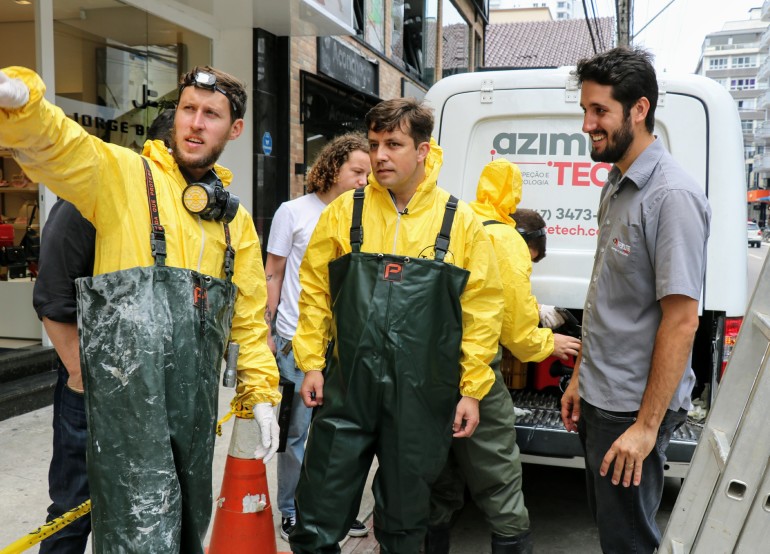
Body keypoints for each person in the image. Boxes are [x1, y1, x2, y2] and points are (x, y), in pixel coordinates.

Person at [0, 67, 281, 552]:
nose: (195, 124)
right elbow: (62, 148)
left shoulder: (235, 222)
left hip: (191, 415)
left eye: (210, 115)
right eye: (188, 110)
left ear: (234, 129)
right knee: (130, 534)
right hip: (122, 407)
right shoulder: (125, 179)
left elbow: (249, 320)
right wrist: (23, 106)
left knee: (185, 527)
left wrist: (261, 390)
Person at [288, 98, 503, 553]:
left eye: (394, 144)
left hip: (423, 398)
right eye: (375, 144)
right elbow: (315, 291)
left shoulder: (460, 222)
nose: (380, 155)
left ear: (424, 150)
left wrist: (471, 390)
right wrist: (310, 362)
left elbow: (483, 311)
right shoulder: (346, 212)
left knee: (406, 525)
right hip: (346, 390)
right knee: (317, 514)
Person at [560, 47, 711, 553]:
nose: (587, 124)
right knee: (612, 531)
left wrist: (646, 429)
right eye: (585, 110)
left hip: (632, 410)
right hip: (603, 397)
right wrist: (582, 376)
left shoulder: (671, 197)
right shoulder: (617, 183)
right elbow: (608, 294)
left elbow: (682, 321)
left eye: (599, 110)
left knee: (629, 544)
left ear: (639, 109)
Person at [30, 109, 175, 554]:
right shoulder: (91, 197)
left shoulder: (176, 208)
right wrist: (81, 376)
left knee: (142, 511)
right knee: (74, 512)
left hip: (155, 390)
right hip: (93, 388)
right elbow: (53, 297)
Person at [426, 158, 581, 554]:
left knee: (439, 475)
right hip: (475, 371)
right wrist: (548, 343)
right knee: (500, 478)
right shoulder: (507, 239)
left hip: (426, 368)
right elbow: (513, 326)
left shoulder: (454, 220)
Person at [264, 133, 371, 541]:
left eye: (367, 173)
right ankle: (291, 507)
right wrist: (268, 331)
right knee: (296, 433)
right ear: (332, 167)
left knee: (343, 433)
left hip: (344, 345)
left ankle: (335, 509)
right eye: (356, 171)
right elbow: (272, 273)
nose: (363, 179)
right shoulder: (293, 212)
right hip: (295, 339)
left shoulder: (362, 217)